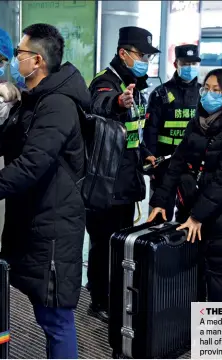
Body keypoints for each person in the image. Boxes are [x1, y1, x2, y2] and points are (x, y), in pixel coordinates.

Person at [0, 23, 89, 359]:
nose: (14, 60)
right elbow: (8, 137)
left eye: (20, 53)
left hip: (54, 223)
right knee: (44, 309)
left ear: (36, 61)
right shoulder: (36, 97)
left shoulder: (58, 105)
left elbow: (31, 165)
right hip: (36, 216)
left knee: (56, 316)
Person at [148, 69, 222, 302]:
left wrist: (197, 216)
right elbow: (178, 161)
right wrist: (160, 200)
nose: (209, 95)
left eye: (217, 91)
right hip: (207, 215)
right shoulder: (199, 123)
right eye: (206, 89)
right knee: (197, 280)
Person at [86, 26, 159, 321]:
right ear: (123, 54)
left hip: (127, 180)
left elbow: (132, 136)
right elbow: (100, 105)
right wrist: (118, 102)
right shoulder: (105, 83)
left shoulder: (135, 87)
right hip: (105, 183)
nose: (145, 61)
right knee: (102, 245)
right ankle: (98, 300)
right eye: (141, 55)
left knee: (120, 244)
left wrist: (145, 155)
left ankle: (115, 295)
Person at [144, 44, 201, 222]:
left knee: (189, 214)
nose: (189, 67)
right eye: (185, 63)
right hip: (164, 163)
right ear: (176, 64)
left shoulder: (203, 93)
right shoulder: (161, 93)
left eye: (193, 63)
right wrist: (151, 160)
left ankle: (185, 249)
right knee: (159, 213)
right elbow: (150, 130)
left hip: (193, 165)